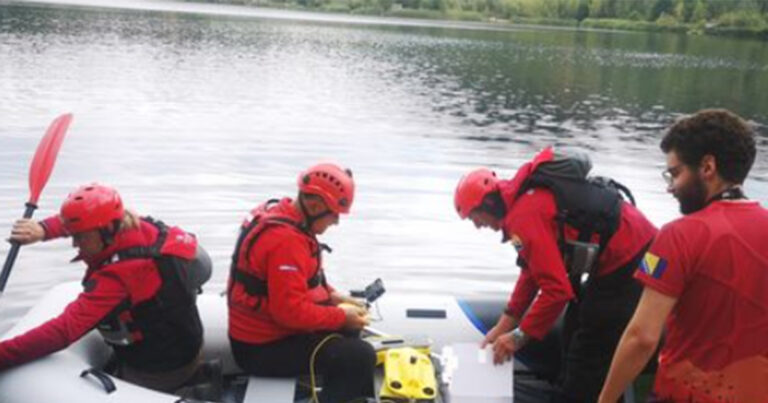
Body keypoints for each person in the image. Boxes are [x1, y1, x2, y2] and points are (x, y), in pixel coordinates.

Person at [454, 147, 657, 402]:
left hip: (635, 259)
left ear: (488, 204)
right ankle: (569, 387)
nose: (477, 225)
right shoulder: (519, 212)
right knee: (574, 321)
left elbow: (557, 292)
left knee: (591, 338)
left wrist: (518, 337)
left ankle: (579, 395)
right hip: (620, 258)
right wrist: (505, 323)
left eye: (474, 217)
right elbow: (530, 271)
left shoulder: (523, 218)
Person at [599, 109, 768, 403]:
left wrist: (605, 400)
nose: (670, 187)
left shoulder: (678, 235)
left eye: (675, 174)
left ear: (707, 167)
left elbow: (642, 337)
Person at [0, 183, 211, 393]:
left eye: (80, 237)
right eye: (74, 235)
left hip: (162, 369)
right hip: (187, 342)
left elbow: (63, 331)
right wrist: (44, 230)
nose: (75, 244)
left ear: (107, 230)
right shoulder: (135, 225)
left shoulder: (122, 275)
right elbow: (83, 220)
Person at [227, 162, 375, 403]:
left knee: (351, 328)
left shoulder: (284, 214)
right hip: (262, 348)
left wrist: (333, 296)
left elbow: (303, 280)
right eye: (334, 214)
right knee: (359, 356)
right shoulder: (286, 241)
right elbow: (289, 313)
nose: (336, 222)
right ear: (315, 206)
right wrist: (340, 316)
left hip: (268, 333)